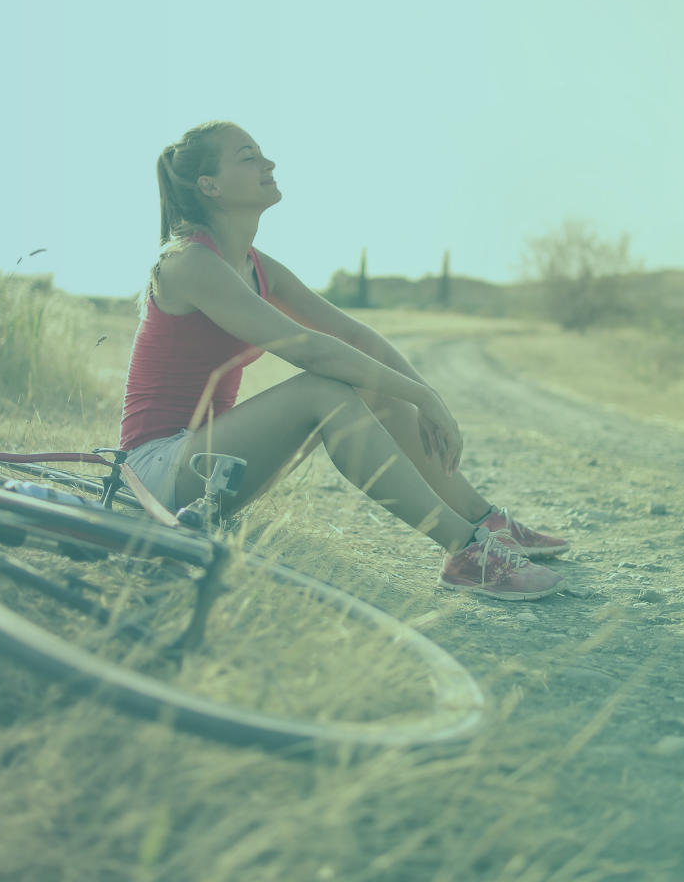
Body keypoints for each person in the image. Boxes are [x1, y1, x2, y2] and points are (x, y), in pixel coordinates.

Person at [120, 120, 569, 600]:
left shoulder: (256, 265)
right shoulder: (189, 262)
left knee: (373, 381)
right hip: (156, 471)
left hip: (212, 468)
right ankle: (464, 551)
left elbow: (353, 334)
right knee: (324, 388)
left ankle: (485, 522)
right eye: (247, 157)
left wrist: (424, 397)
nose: (267, 163)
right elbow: (307, 347)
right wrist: (419, 394)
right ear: (209, 186)